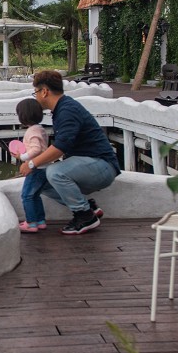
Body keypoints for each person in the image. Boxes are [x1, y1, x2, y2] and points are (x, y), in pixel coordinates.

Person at [23, 69, 121, 235]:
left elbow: (61, 147)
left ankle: (84, 216)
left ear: (44, 91)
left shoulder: (67, 110)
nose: (36, 97)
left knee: (54, 172)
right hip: (90, 165)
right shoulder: (62, 109)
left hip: (102, 166)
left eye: (36, 92)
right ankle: (88, 207)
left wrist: (32, 163)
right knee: (41, 180)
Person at [10, 98, 49, 233]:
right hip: (43, 167)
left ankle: (31, 223)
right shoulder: (40, 128)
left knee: (27, 196)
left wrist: (22, 157)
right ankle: (40, 221)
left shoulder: (32, 131)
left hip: (36, 169)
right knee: (35, 196)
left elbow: (36, 149)